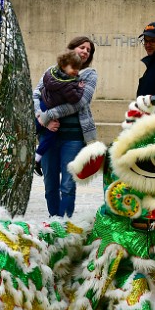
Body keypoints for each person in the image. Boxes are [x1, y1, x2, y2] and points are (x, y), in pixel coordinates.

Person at [32, 36, 97, 217]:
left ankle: (65, 224)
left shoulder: (89, 74)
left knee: (68, 185)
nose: (85, 51)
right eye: (82, 47)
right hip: (48, 135)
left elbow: (80, 102)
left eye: (88, 50)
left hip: (74, 138)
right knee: (50, 184)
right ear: (71, 49)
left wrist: (49, 115)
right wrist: (41, 117)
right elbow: (36, 95)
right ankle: (55, 222)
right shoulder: (51, 71)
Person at [33, 50, 86, 174]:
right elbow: (74, 99)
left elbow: (40, 89)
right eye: (73, 67)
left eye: (78, 68)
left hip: (43, 104)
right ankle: (36, 159)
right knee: (51, 134)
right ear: (63, 66)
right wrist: (80, 88)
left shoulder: (50, 74)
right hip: (50, 109)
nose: (76, 71)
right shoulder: (68, 84)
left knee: (36, 128)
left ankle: (31, 156)